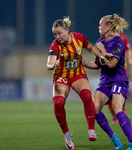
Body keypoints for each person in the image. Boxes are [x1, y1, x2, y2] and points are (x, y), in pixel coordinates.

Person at [46, 16, 111, 150]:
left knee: (87, 96)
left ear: (67, 30)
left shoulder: (79, 38)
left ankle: (91, 129)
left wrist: (101, 56)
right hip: (61, 76)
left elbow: (91, 48)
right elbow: (49, 63)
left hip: (77, 74)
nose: (57, 36)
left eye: (59, 33)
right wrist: (54, 64)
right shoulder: (55, 45)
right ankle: (66, 134)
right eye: (55, 34)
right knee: (58, 103)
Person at [82, 14, 132, 150]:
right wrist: (84, 63)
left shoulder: (118, 42)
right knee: (94, 108)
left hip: (118, 80)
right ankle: (114, 138)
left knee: (116, 108)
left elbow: (112, 64)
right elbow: (98, 64)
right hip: (105, 82)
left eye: (100, 25)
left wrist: (102, 49)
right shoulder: (100, 40)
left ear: (108, 27)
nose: (98, 27)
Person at [108, 32, 132, 124]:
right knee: (108, 94)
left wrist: (129, 58)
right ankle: (116, 114)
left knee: (117, 92)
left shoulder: (122, 37)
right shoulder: (104, 37)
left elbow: (128, 49)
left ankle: (120, 112)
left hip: (121, 70)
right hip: (109, 70)